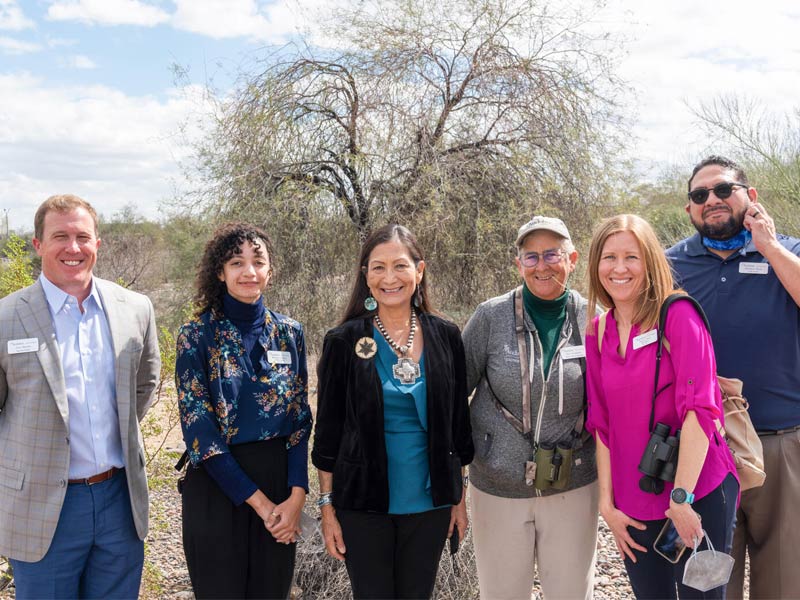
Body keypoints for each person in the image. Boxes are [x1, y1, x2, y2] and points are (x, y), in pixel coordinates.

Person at [0, 194, 160, 599]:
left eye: (82, 237)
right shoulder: (5, 318)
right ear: (37, 244)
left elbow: (145, 383)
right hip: (42, 506)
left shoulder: (135, 309)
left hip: (119, 501)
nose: (73, 248)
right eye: (60, 236)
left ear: (97, 244)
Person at [312, 224, 474, 600]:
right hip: (363, 502)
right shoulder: (345, 341)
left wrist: (459, 500)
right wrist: (327, 508)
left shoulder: (446, 336)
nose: (389, 278)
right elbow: (328, 435)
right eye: (378, 267)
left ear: (420, 271)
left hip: (431, 501)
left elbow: (457, 427)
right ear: (365, 276)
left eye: (400, 266)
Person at [585, 214, 739, 599]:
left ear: (650, 261)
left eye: (631, 257)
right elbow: (601, 424)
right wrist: (607, 504)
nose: (619, 269)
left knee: (702, 595)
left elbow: (700, 411)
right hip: (633, 499)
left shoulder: (679, 315)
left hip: (697, 492)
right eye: (609, 257)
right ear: (595, 265)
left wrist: (682, 498)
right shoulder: (598, 331)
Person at [667, 156, 800, 599]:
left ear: (750, 196)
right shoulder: (668, 267)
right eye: (700, 195)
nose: (712, 201)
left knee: (783, 579)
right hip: (702, 447)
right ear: (689, 209)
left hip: (779, 443)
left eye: (724, 189)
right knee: (709, 582)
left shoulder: (788, 251)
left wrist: (770, 248)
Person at [462, 215, 598, 600]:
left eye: (552, 254)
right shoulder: (490, 316)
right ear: (517, 263)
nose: (542, 266)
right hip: (498, 485)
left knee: (571, 592)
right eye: (531, 256)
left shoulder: (594, 318)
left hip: (573, 481)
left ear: (572, 258)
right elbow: (454, 393)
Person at [175, 222, 311, 599]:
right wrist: (261, 504)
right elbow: (198, 429)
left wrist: (296, 497)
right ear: (220, 272)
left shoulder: (290, 333)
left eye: (257, 262)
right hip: (218, 488)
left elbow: (300, 419)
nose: (249, 272)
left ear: (271, 270)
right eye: (237, 263)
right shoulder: (196, 336)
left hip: (280, 488)